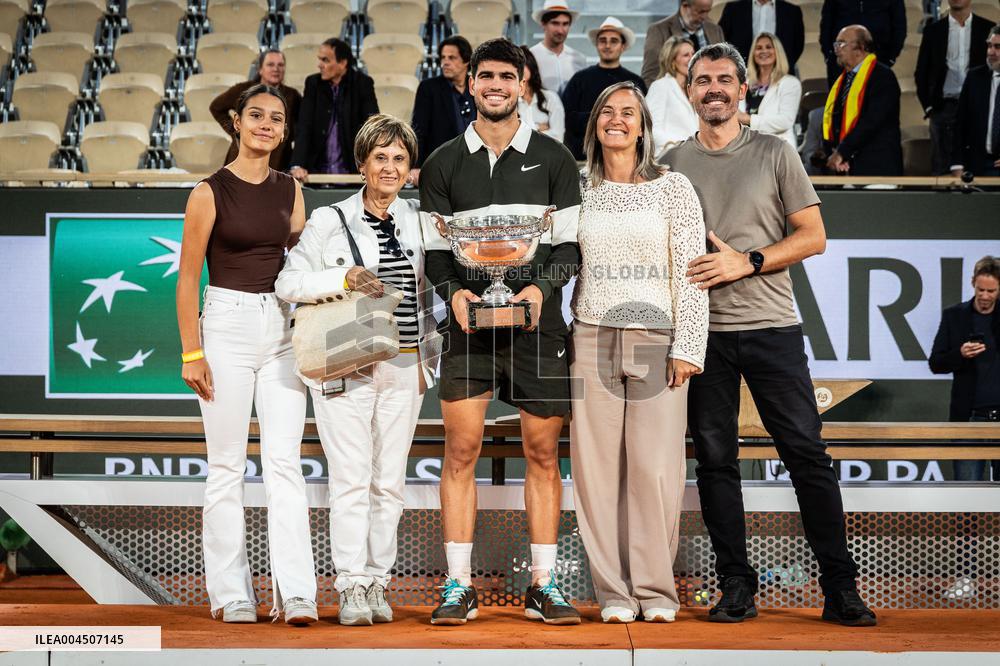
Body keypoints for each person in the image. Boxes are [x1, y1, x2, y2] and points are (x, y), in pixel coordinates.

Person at [662, 43, 876, 627]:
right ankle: (736, 585)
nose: (713, 88)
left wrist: (747, 261)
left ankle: (840, 588)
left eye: (724, 79)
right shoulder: (670, 164)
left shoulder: (776, 152)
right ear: (689, 91)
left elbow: (813, 236)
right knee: (715, 463)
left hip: (773, 329)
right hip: (701, 337)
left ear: (742, 89)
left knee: (806, 456)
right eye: (702, 79)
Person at [418, 38, 582, 626]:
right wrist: (454, 293)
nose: (495, 86)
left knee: (542, 453)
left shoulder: (555, 158)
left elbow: (568, 247)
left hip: (539, 332)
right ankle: (458, 585)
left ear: (523, 85)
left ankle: (543, 584)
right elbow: (436, 253)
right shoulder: (442, 162)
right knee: (460, 451)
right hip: (469, 331)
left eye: (506, 77)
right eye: (485, 76)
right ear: (471, 84)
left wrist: (538, 290)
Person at [275, 115, 437, 625]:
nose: (389, 167)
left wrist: (427, 364)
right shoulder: (329, 219)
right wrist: (342, 276)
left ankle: (377, 581)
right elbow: (287, 283)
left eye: (399, 159)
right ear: (362, 164)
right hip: (345, 364)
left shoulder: (420, 220)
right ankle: (349, 584)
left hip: (405, 365)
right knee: (350, 480)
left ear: (409, 169)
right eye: (380, 157)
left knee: (389, 483)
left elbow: (434, 292)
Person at [175, 84, 317, 626]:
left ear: (284, 130)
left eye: (276, 118)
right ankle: (231, 593)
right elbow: (188, 278)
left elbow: (299, 268)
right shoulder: (208, 192)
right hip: (225, 325)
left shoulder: (291, 190)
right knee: (226, 466)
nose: (266, 124)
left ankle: (296, 593)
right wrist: (192, 352)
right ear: (236, 122)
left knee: (285, 465)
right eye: (256, 115)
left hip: (281, 328)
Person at [570, 81, 708, 624]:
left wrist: (689, 345)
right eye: (607, 111)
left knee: (654, 469)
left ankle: (654, 591)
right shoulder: (577, 188)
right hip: (591, 337)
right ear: (594, 124)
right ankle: (613, 593)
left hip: (657, 340)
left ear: (644, 127)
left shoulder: (674, 188)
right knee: (596, 473)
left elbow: (691, 273)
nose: (617, 119)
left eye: (629, 112)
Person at [929, 256, 1000, 482]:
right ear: (973, 283)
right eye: (981, 289)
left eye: (991, 291)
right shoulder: (955, 316)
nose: (985, 296)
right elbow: (936, 363)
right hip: (969, 418)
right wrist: (959, 354)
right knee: (967, 493)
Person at [915, 0, 995, 175]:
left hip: (979, 107)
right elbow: (921, 73)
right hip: (944, 108)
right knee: (942, 169)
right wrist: (929, 107)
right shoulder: (933, 31)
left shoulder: (987, 28)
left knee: (977, 167)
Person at [289, 37, 379, 181]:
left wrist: (369, 164)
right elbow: (304, 126)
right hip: (316, 170)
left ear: (343, 63)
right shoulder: (313, 83)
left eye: (325, 60)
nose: (319, 65)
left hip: (352, 170)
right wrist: (297, 164)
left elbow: (372, 127)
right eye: (320, 59)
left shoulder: (363, 84)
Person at [822, 25, 903, 176]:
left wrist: (842, 152)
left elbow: (872, 121)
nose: (836, 49)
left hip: (877, 169)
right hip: (848, 169)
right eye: (835, 44)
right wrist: (835, 153)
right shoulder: (844, 80)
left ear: (861, 48)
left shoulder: (882, 77)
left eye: (841, 43)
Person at [562, 17, 646, 160]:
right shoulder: (580, 79)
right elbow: (567, 118)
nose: (607, 45)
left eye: (614, 41)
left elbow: (642, 121)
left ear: (623, 46)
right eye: (602, 40)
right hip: (583, 158)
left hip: (624, 159)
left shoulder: (635, 82)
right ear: (597, 44)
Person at [209, 49, 302, 171]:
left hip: (278, 162)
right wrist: (236, 131)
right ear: (260, 69)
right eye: (270, 64)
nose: (276, 69)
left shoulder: (293, 95)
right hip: (241, 161)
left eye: (280, 65)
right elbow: (216, 107)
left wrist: (285, 136)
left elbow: (303, 127)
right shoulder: (243, 89)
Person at [410, 35, 476, 186]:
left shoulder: (477, 87)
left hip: (476, 165)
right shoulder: (429, 88)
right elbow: (419, 129)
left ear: (466, 61)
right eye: (443, 57)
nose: (445, 62)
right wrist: (416, 166)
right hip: (441, 166)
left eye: (452, 58)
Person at [950, 26, 1000, 178]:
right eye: (989, 46)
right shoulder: (975, 77)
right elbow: (960, 122)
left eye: (998, 47)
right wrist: (957, 163)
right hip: (978, 165)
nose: (991, 52)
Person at [738, 32, 802, 148]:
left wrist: (748, 119)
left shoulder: (790, 83)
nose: (763, 51)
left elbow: (785, 121)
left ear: (777, 52)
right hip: (745, 146)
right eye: (758, 48)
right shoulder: (742, 81)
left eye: (768, 47)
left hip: (777, 147)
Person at [820, 0, 906, 85]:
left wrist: (891, 57)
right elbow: (826, 24)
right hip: (841, 60)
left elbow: (899, 26)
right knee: (841, 93)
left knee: (877, 92)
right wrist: (829, 56)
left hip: (879, 57)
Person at [642, 0, 724, 87]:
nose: (704, 16)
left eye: (707, 11)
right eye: (700, 12)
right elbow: (650, 74)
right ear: (685, 6)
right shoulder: (658, 30)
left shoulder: (715, 30)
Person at [647, 37, 699, 156]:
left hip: (693, 156)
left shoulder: (693, 90)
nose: (692, 58)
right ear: (672, 60)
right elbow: (650, 128)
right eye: (686, 55)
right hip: (668, 157)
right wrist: (678, 147)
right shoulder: (660, 86)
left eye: (693, 54)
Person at [718, 0, 805, 70]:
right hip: (741, 74)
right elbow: (721, 41)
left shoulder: (793, 11)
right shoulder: (733, 9)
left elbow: (797, 46)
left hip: (781, 75)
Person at [529, 0, 587, 95]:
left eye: (565, 24)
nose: (560, 30)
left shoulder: (578, 58)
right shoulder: (531, 56)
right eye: (555, 23)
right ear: (543, 24)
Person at [519, 45, 566, 141]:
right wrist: (538, 129)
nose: (519, 69)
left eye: (522, 64)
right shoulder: (508, 101)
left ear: (531, 64)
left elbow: (558, 137)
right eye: (515, 66)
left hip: (548, 151)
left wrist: (525, 133)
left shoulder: (551, 98)